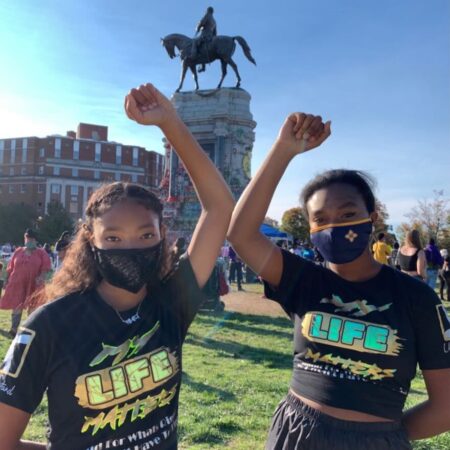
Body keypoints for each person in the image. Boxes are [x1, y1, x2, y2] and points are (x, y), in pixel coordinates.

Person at [0, 83, 234, 449]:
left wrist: (170, 122)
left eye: (145, 235)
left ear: (162, 236)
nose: (131, 247)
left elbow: (219, 206)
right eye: (113, 238)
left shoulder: (171, 302)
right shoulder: (49, 325)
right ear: (90, 240)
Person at [228, 112, 450, 449]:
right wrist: (283, 149)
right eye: (321, 219)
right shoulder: (303, 280)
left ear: (372, 215)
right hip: (296, 433)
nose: (335, 227)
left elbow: (445, 406)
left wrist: (384, 436)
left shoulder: (417, 298)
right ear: (311, 228)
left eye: (347, 215)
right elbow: (240, 234)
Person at [0, 228, 52, 337]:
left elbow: (46, 267)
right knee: (17, 306)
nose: (29, 240)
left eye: (31, 239)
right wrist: (6, 279)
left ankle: (28, 329)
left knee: (33, 307)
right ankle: (14, 329)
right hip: (17, 284)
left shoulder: (41, 253)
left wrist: (41, 276)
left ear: (35, 240)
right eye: (27, 238)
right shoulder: (18, 251)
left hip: (34, 284)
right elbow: (11, 267)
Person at [192, 6, 217, 72]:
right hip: (210, 36)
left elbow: (201, 22)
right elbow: (215, 33)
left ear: (207, 11)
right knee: (202, 49)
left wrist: (197, 28)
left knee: (194, 41)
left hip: (204, 35)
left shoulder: (207, 15)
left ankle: (193, 56)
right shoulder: (214, 21)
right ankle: (203, 66)